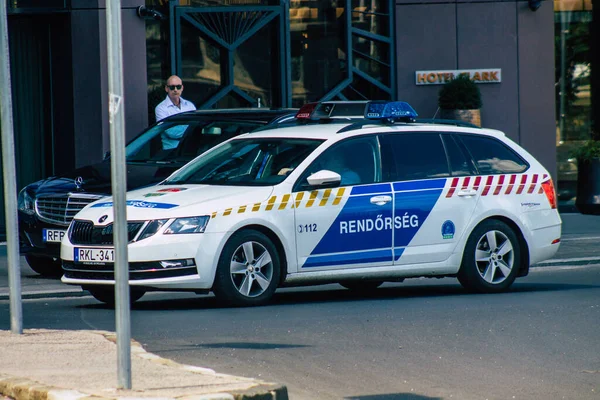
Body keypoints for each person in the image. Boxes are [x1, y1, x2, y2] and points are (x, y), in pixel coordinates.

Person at [155, 75, 197, 150]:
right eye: (172, 87)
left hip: (190, 149)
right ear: (166, 88)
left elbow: (196, 128)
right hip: (171, 151)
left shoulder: (190, 105)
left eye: (178, 87)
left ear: (182, 88)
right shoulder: (160, 108)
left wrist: (180, 126)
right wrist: (190, 127)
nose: (175, 90)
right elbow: (172, 133)